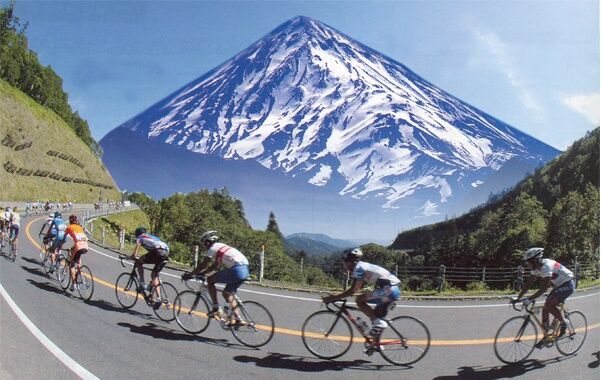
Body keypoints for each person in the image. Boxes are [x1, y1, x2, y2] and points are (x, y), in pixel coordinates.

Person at [322, 248, 401, 337]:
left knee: (359, 300)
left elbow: (353, 290)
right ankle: (376, 345)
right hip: (392, 290)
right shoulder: (362, 266)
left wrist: (332, 298)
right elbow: (358, 287)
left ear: (350, 261)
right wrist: (338, 295)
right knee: (375, 317)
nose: (344, 265)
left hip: (389, 290)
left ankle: (379, 324)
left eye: (344, 262)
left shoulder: (358, 268)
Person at [182, 230, 249, 323]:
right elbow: (215, 267)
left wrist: (190, 275)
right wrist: (202, 273)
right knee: (227, 293)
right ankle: (238, 318)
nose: (204, 247)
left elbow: (203, 264)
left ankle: (216, 308)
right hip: (245, 270)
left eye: (203, 244)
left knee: (210, 280)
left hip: (236, 270)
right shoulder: (222, 247)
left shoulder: (212, 248)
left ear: (207, 242)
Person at [516, 247, 575, 347]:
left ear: (535, 261)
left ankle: (564, 322)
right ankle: (546, 335)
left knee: (548, 304)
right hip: (558, 285)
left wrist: (530, 299)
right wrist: (518, 298)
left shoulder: (546, 266)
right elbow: (528, 283)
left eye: (528, 262)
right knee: (545, 308)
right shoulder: (536, 268)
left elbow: (545, 287)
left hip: (568, 284)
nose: (527, 265)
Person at [130, 227, 170, 306]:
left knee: (139, 262)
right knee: (154, 275)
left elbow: (135, 255)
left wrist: (132, 257)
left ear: (137, 234)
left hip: (158, 251)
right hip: (166, 252)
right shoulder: (152, 236)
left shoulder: (140, 238)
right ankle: (157, 297)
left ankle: (142, 283)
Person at [62, 215, 91, 291]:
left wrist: (60, 244)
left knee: (71, 265)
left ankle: (74, 284)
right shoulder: (80, 227)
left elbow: (64, 237)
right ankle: (79, 269)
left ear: (70, 221)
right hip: (85, 245)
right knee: (78, 258)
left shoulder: (69, 227)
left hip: (78, 245)